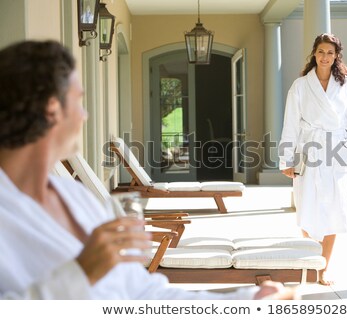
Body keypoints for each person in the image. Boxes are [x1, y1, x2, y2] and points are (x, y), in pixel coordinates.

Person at [0, 40, 291, 299]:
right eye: (79, 100)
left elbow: (142, 292)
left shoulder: (75, 196)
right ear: (53, 108)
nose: (85, 116)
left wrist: (246, 301)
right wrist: (81, 273)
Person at [278, 33, 347, 285]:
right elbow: (290, 124)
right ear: (314, 54)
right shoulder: (301, 86)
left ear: (336, 55)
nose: (325, 57)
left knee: (334, 210)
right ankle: (312, 261)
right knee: (307, 209)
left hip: (336, 153)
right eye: (320, 52)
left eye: (330, 52)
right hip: (309, 152)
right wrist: (286, 160)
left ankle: (324, 268)